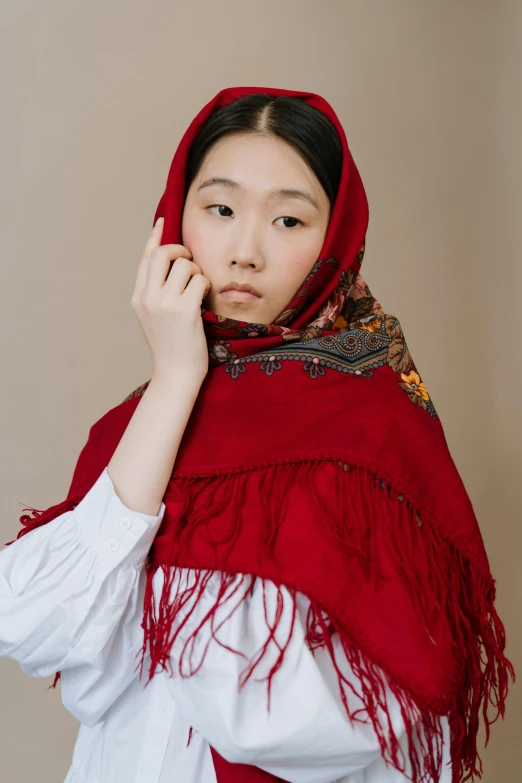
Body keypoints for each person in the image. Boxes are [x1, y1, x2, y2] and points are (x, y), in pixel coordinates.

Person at [0, 86, 514, 783]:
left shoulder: (372, 428)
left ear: (336, 238)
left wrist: (132, 606)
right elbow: (37, 623)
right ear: (174, 222)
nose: (244, 253)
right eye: (220, 209)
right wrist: (177, 378)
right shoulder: (140, 419)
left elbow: (339, 711)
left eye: (289, 221)